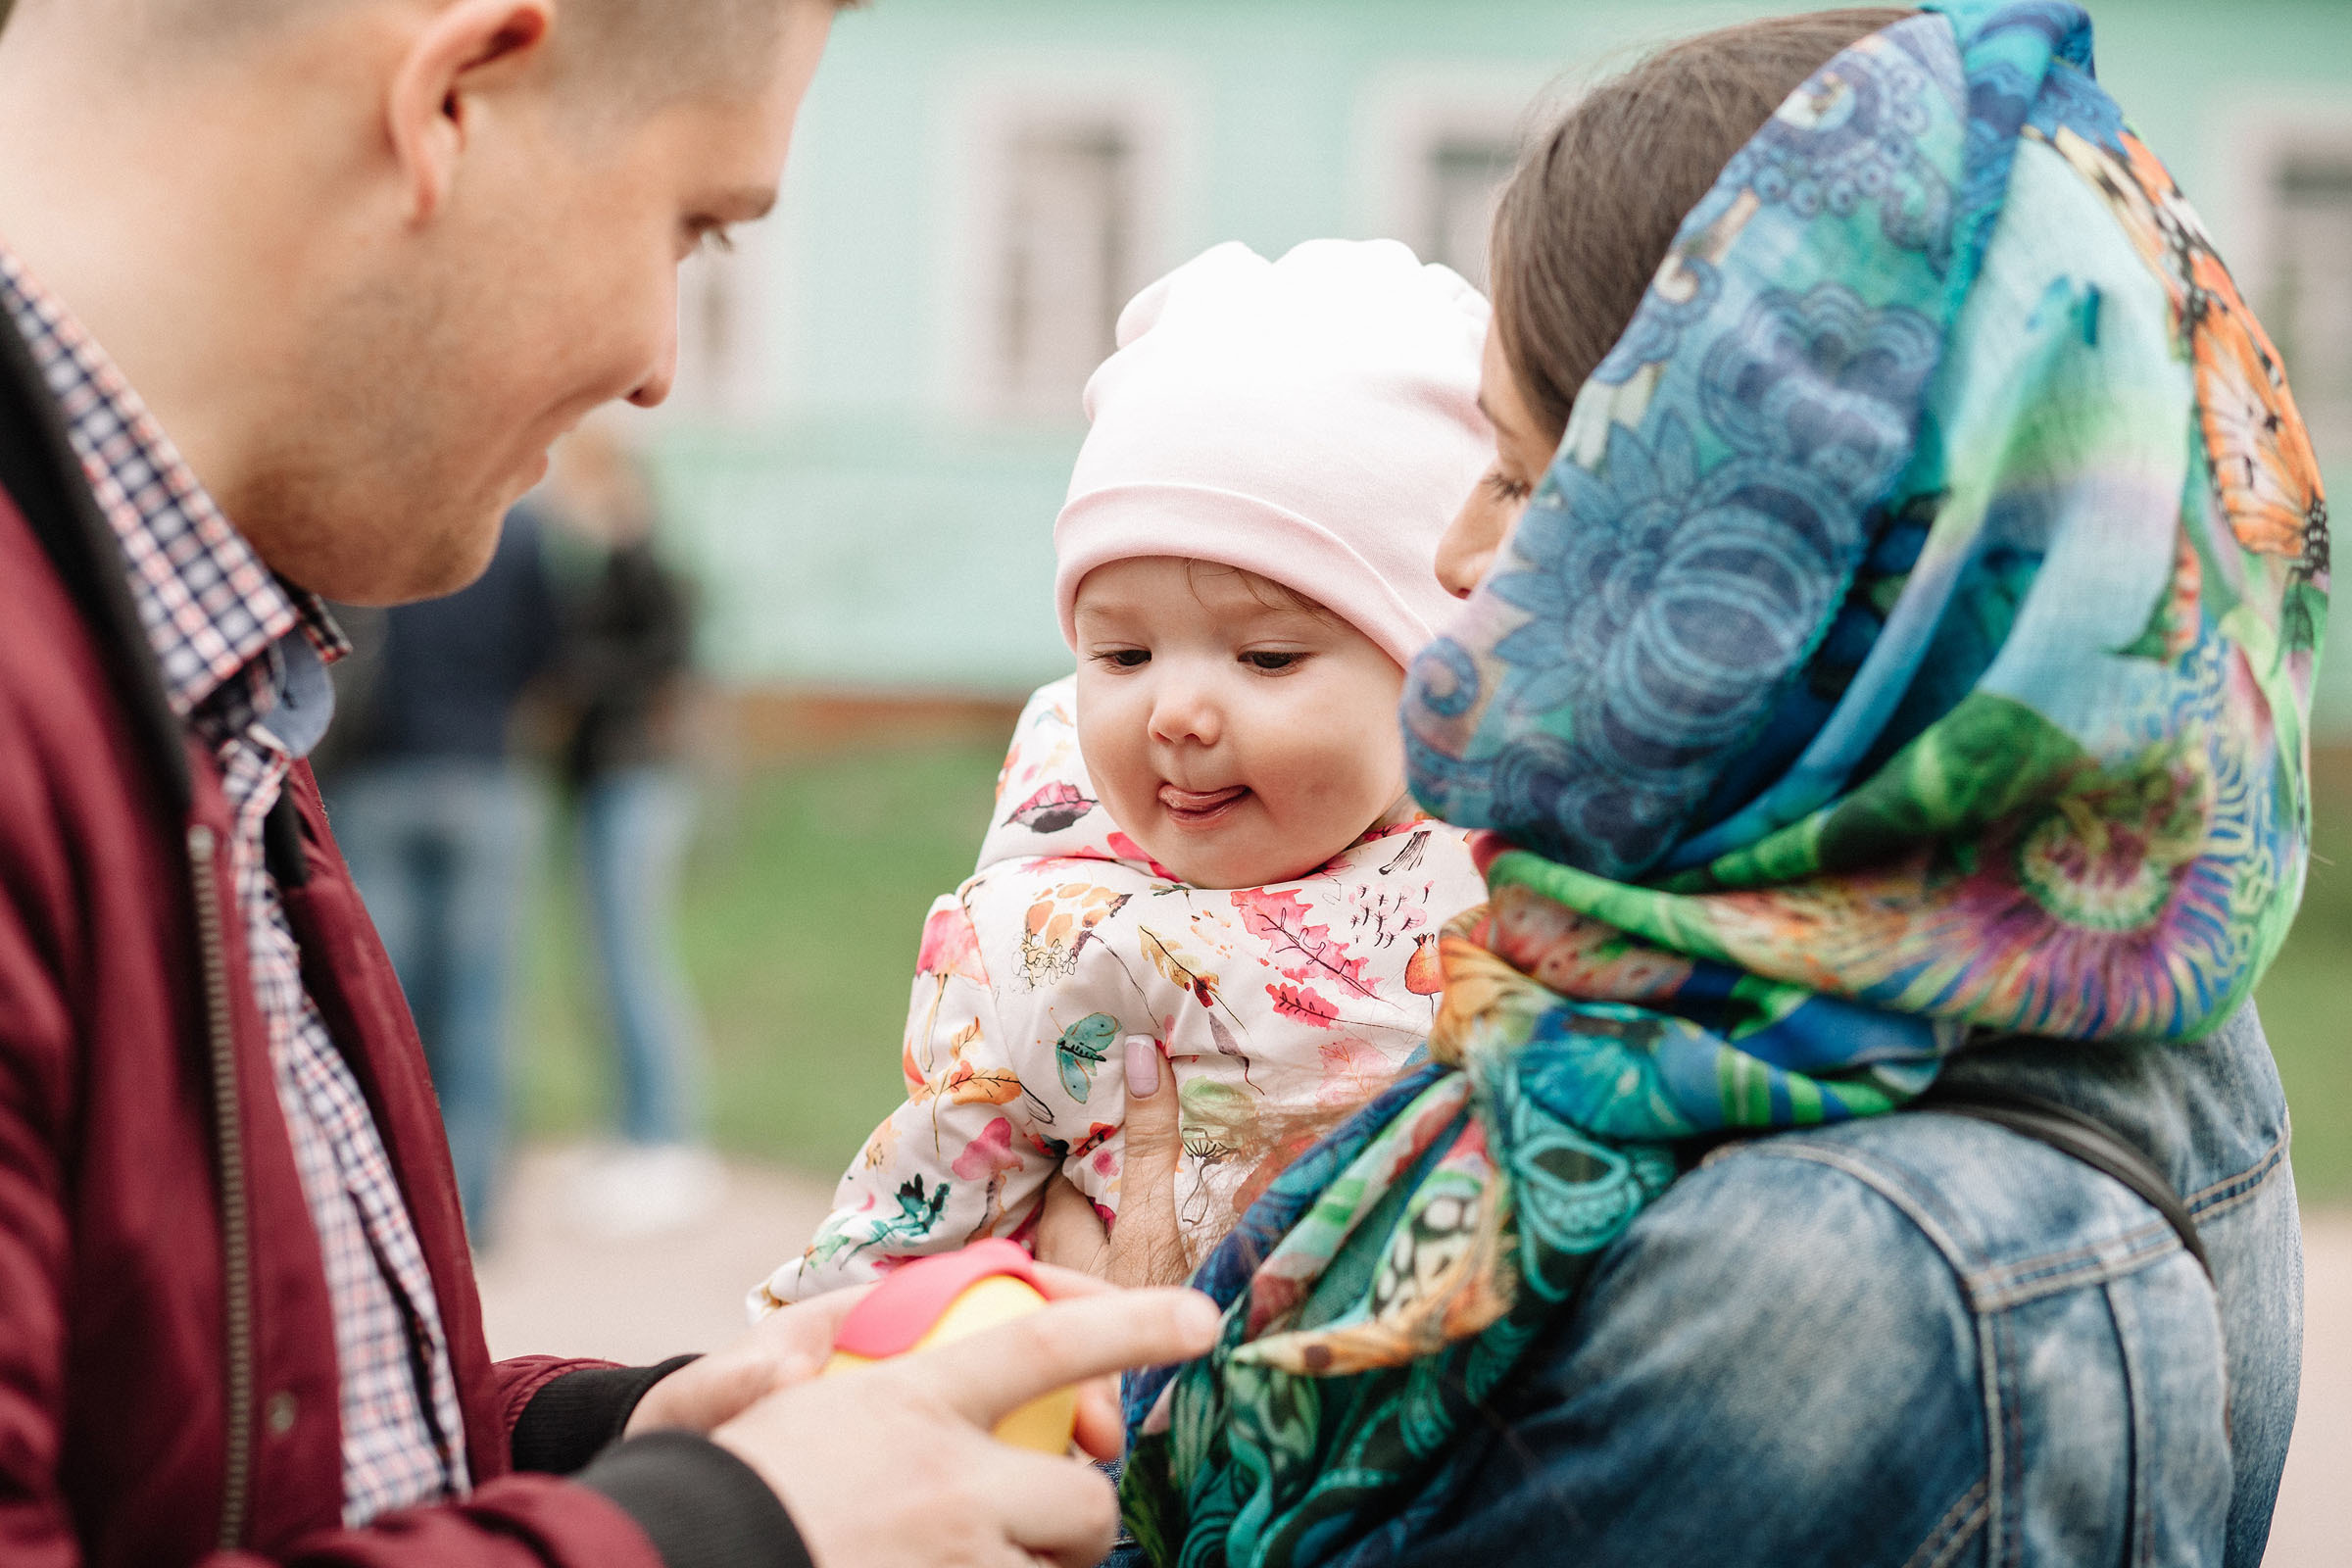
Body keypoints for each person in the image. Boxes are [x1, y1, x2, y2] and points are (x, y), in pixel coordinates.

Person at [1072, 4, 2316, 1565]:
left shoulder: (1833, 1288)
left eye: (1529, 479)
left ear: (1787, 555)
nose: (1457, 558)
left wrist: (1113, 1439)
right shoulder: (2069, 993)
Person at [0, 2, 1218, 1566]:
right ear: (454, 101)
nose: (655, 366)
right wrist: (730, 1537)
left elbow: (256, 1453)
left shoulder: (185, 681)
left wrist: (628, 1446)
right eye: (694, 228)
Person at [755, 240, 1493, 1308]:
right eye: (1124, 655)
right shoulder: (1047, 942)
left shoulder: (1520, 886)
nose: (1176, 713)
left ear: (1435, 671)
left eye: (1267, 656)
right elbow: (904, 1232)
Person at [326, 504, 563, 1242]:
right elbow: (548, 652)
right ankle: (464, 1218)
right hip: (483, 775)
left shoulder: (373, 511)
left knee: (381, 1011)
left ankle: (387, 1212)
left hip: (380, 778)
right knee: (478, 1011)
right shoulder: (519, 529)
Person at [540, 425, 727, 1236]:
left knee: (634, 960)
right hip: (601, 786)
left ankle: (668, 1140)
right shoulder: (605, 572)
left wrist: (573, 682)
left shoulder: (647, 567)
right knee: (604, 962)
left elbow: (663, 668)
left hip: (638, 783)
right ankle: (631, 1131)